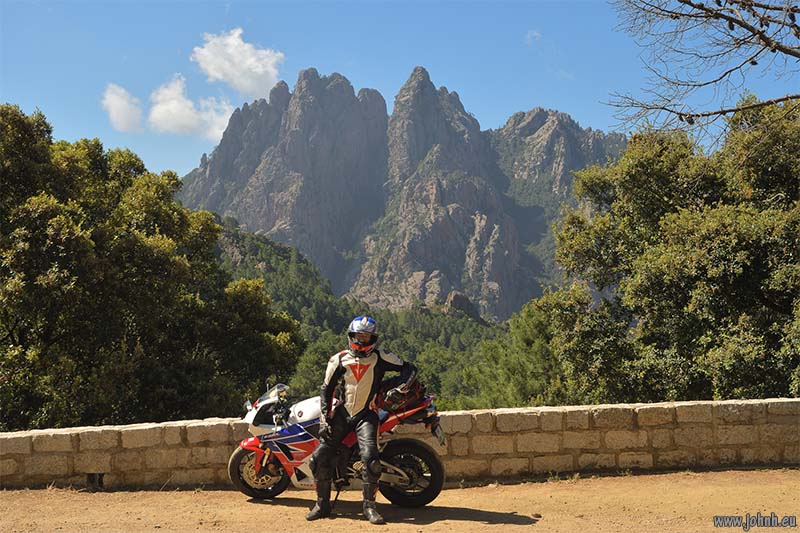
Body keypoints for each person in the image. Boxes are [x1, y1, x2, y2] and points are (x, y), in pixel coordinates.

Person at [306, 316, 417, 525]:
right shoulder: (338, 359)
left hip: (367, 415)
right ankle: (321, 505)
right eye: (359, 336)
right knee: (318, 458)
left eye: (366, 337)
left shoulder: (380, 357)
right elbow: (326, 390)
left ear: (373, 339)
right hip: (342, 413)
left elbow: (409, 368)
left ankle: (369, 507)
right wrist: (324, 420)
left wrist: (399, 389)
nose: (362, 341)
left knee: (371, 460)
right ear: (351, 336)